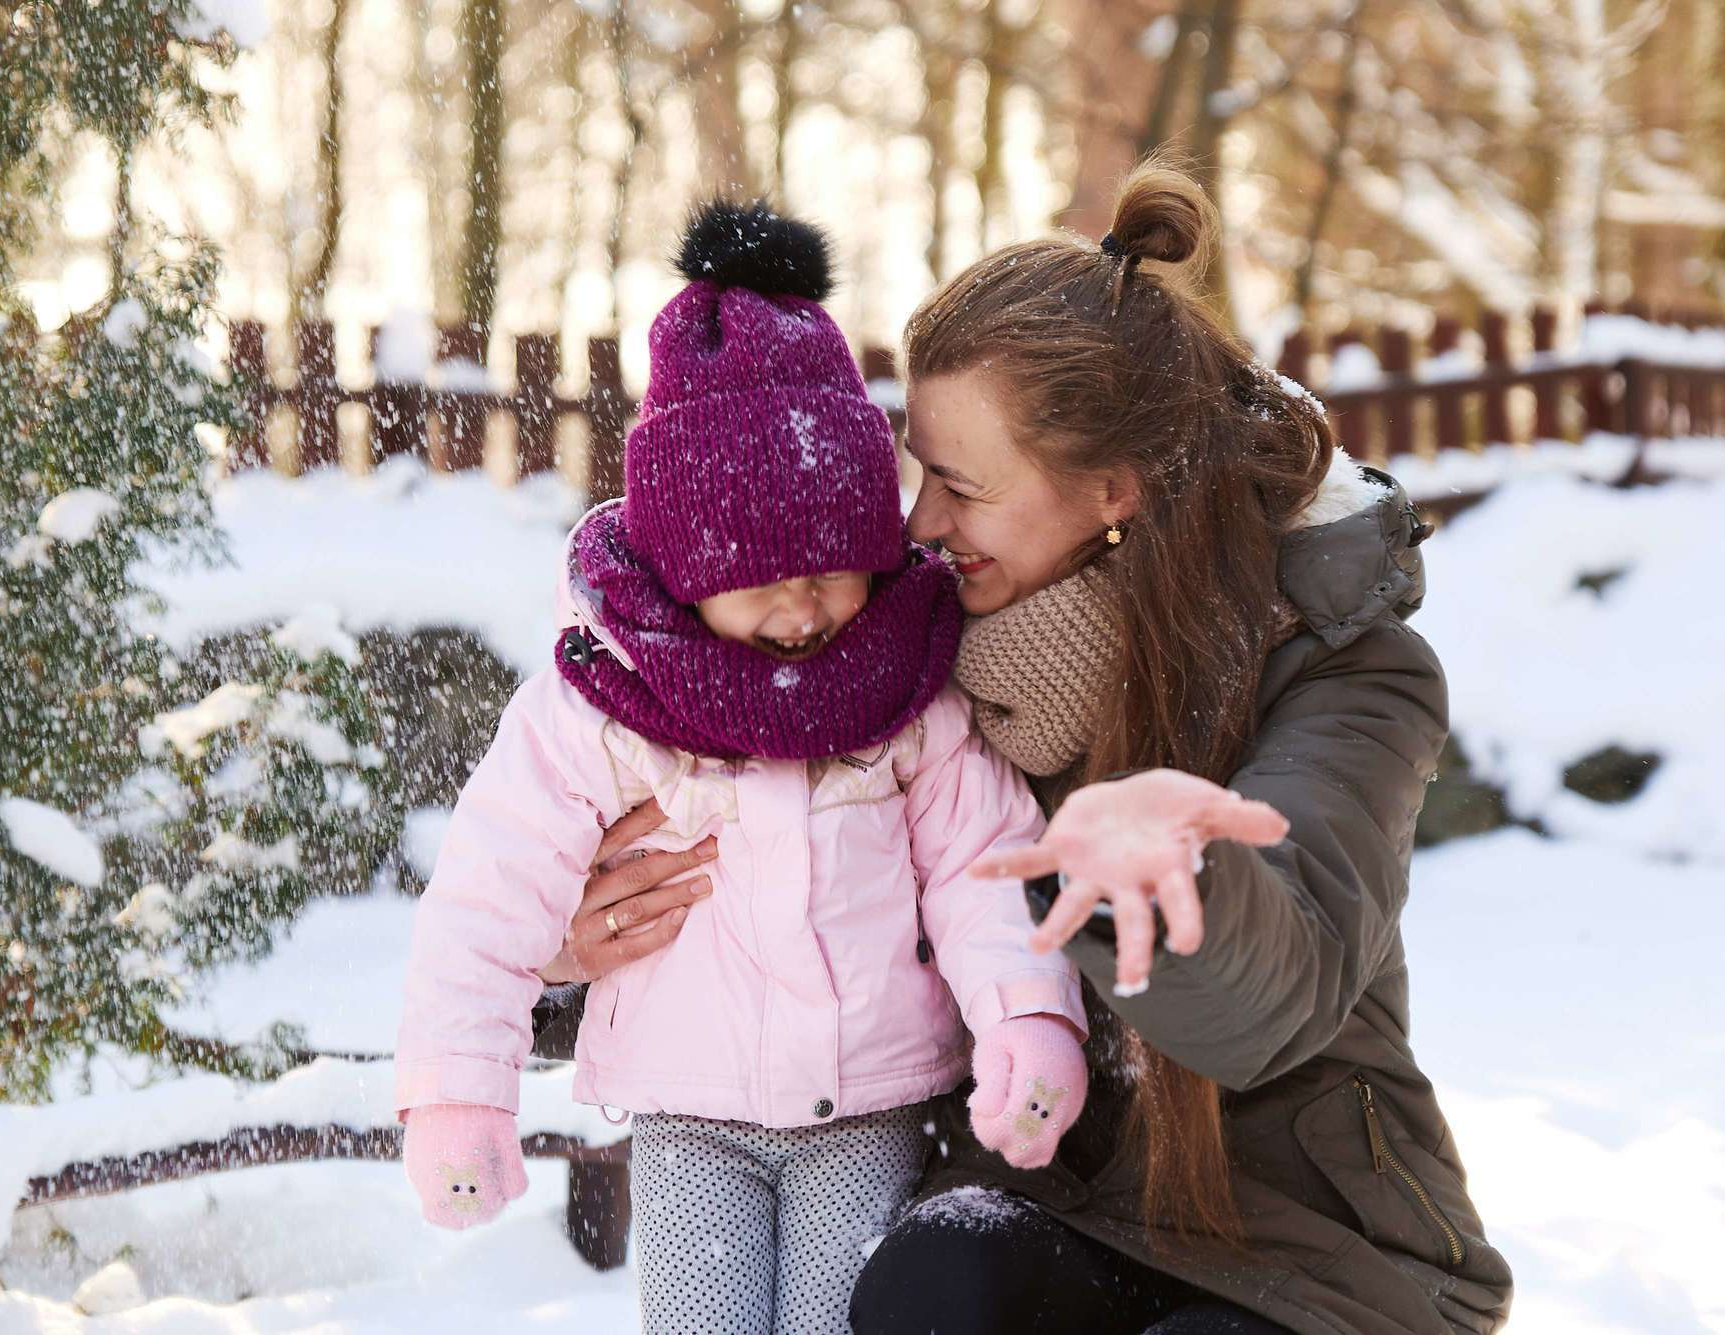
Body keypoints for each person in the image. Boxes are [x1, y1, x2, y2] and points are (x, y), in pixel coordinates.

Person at [550, 164, 1515, 1335]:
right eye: (916, 472)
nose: (916, 524)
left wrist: (1161, 869)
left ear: (1110, 492)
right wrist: (572, 953)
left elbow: (1274, 1002)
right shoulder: (906, 656)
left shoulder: (1339, 669)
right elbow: (788, 893)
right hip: (1047, 1184)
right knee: (929, 1285)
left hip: (1303, 1247)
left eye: (958, 484)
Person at [394, 201, 1095, 1335]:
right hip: (688, 1123)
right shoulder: (607, 697)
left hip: (868, 1111)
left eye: (835, 568)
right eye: (760, 573)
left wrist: (1024, 1020)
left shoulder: (903, 687)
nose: (803, 607)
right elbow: (492, 889)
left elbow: (983, 864)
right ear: (680, 565)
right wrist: (458, 1090)